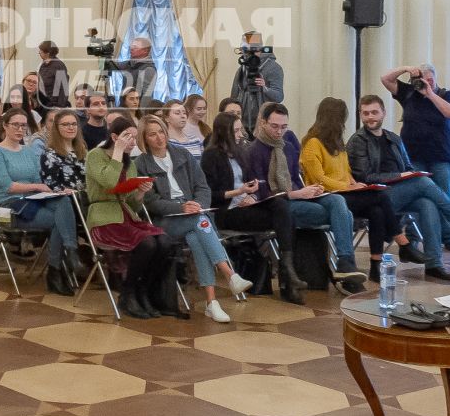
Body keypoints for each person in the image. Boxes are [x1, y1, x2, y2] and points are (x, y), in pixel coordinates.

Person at [348, 92, 450, 276]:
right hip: (377, 196)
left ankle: (433, 264)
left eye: (374, 112)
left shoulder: (393, 138)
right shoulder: (358, 141)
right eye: (365, 113)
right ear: (360, 115)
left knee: (427, 203)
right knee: (423, 182)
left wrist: (407, 174)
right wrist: (400, 175)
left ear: (383, 113)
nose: (370, 117)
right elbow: (365, 176)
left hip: (400, 192)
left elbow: (407, 165)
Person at [135, 113, 252, 323]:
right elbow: (151, 202)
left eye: (161, 132)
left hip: (195, 214)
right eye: (152, 135)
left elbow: (202, 187)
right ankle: (229, 274)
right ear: (144, 138)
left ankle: (212, 302)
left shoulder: (182, 154)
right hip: (166, 220)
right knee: (201, 224)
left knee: (198, 236)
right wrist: (182, 207)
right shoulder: (141, 163)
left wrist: (199, 206)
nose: (159, 138)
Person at [299, 97, 428, 279]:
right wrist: (348, 186)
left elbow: (346, 171)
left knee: (376, 210)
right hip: (328, 196)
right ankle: (404, 244)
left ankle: (376, 266)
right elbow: (318, 179)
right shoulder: (313, 143)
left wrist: (353, 183)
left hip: (344, 192)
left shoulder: (336, 142)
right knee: (380, 195)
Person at [244, 102, 364, 294]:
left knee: (337, 201)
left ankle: (345, 262)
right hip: (277, 205)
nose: (279, 132)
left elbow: (294, 180)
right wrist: (295, 193)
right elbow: (260, 192)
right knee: (345, 215)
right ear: (263, 123)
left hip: (297, 197)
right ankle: (346, 267)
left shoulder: (288, 148)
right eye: (274, 126)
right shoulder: (254, 151)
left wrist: (310, 190)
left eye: (284, 127)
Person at [200, 111, 303, 303]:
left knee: (281, 206)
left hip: (245, 205)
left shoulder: (240, 153)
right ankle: (288, 273)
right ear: (225, 133)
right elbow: (209, 196)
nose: (241, 135)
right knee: (284, 218)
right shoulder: (210, 156)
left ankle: (288, 269)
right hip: (226, 211)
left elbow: (249, 183)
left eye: (240, 130)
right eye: (237, 131)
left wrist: (252, 193)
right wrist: (238, 193)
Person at [84, 115, 181, 318]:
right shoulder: (95, 155)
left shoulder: (131, 163)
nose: (131, 142)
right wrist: (118, 151)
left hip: (127, 217)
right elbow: (109, 182)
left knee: (164, 241)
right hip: (103, 219)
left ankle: (144, 290)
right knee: (147, 244)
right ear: (114, 136)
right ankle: (128, 293)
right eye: (127, 136)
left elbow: (133, 205)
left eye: (134, 137)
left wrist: (140, 192)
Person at [0, 109, 82, 293]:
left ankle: (67, 255)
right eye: (16, 124)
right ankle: (58, 267)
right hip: (5, 210)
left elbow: (40, 180)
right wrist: (38, 188)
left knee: (64, 201)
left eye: (23, 125)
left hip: (31, 202)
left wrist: (58, 190)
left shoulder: (29, 151)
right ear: (5, 126)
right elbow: (7, 186)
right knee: (58, 221)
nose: (20, 129)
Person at [383, 63, 450, 250]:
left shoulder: (444, 94)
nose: (426, 83)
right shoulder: (408, 93)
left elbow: (449, 112)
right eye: (423, 80)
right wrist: (405, 68)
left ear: (435, 79)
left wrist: (430, 93)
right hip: (414, 155)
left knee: (445, 194)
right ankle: (414, 235)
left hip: (440, 155)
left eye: (430, 80)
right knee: (418, 196)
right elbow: (386, 79)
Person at [229, 30, 284, 120]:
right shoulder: (242, 69)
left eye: (246, 51)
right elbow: (233, 98)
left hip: (264, 122)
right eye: (242, 51)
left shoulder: (274, 68)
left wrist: (264, 88)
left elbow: (279, 97)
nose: (243, 55)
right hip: (242, 122)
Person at [110, 36, 156, 101]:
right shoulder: (130, 63)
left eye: (135, 47)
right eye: (131, 47)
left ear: (145, 51)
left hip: (136, 108)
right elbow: (113, 66)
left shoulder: (148, 69)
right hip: (125, 105)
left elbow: (145, 95)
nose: (131, 49)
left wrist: (140, 111)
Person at [35, 40, 72, 110]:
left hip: (54, 106)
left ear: (48, 52)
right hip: (43, 104)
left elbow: (63, 88)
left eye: (41, 51)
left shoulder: (59, 66)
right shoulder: (42, 65)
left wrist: (60, 107)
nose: (39, 52)